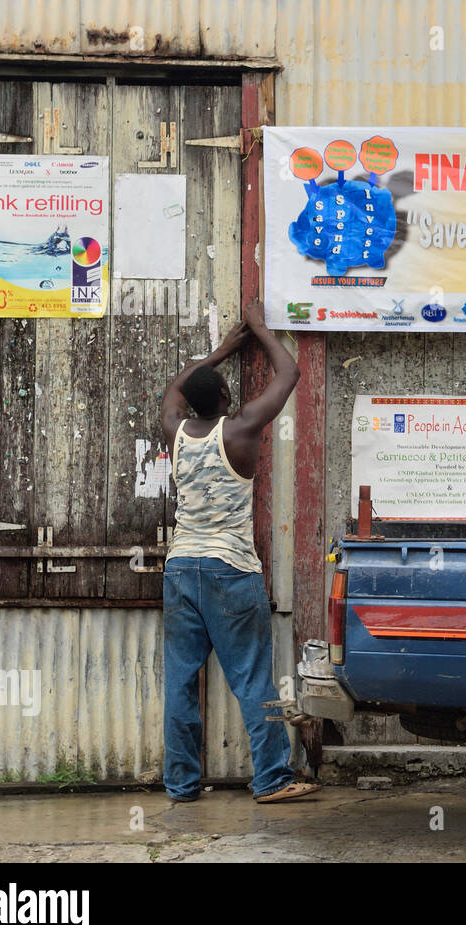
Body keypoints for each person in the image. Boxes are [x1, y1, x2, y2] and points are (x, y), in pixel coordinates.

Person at [158, 302, 317, 804]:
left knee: (181, 682)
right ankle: (272, 778)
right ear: (226, 395)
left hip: (181, 568)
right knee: (252, 680)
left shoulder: (175, 431)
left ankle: (182, 785)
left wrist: (222, 350)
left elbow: (176, 389)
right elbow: (289, 371)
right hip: (231, 569)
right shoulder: (241, 428)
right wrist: (261, 328)